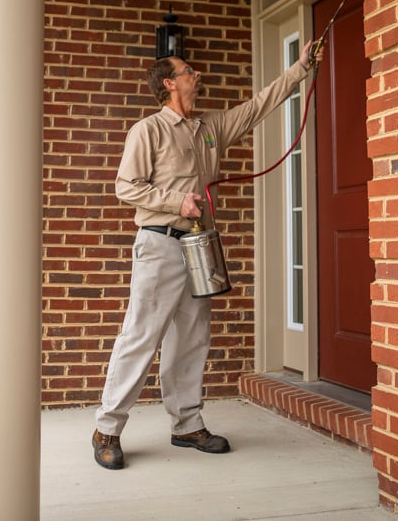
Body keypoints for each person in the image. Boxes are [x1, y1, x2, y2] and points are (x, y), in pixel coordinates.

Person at [92, 40, 323, 470]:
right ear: (169, 84)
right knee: (141, 336)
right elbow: (126, 186)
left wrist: (299, 69)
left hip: (200, 245)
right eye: (187, 71)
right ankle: (107, 428)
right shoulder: (148, 130)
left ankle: (186, 425)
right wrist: (176, 201)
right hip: (159, 244)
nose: (195, 75)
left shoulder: (210, 127)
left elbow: (256, 108)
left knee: (192, 336)